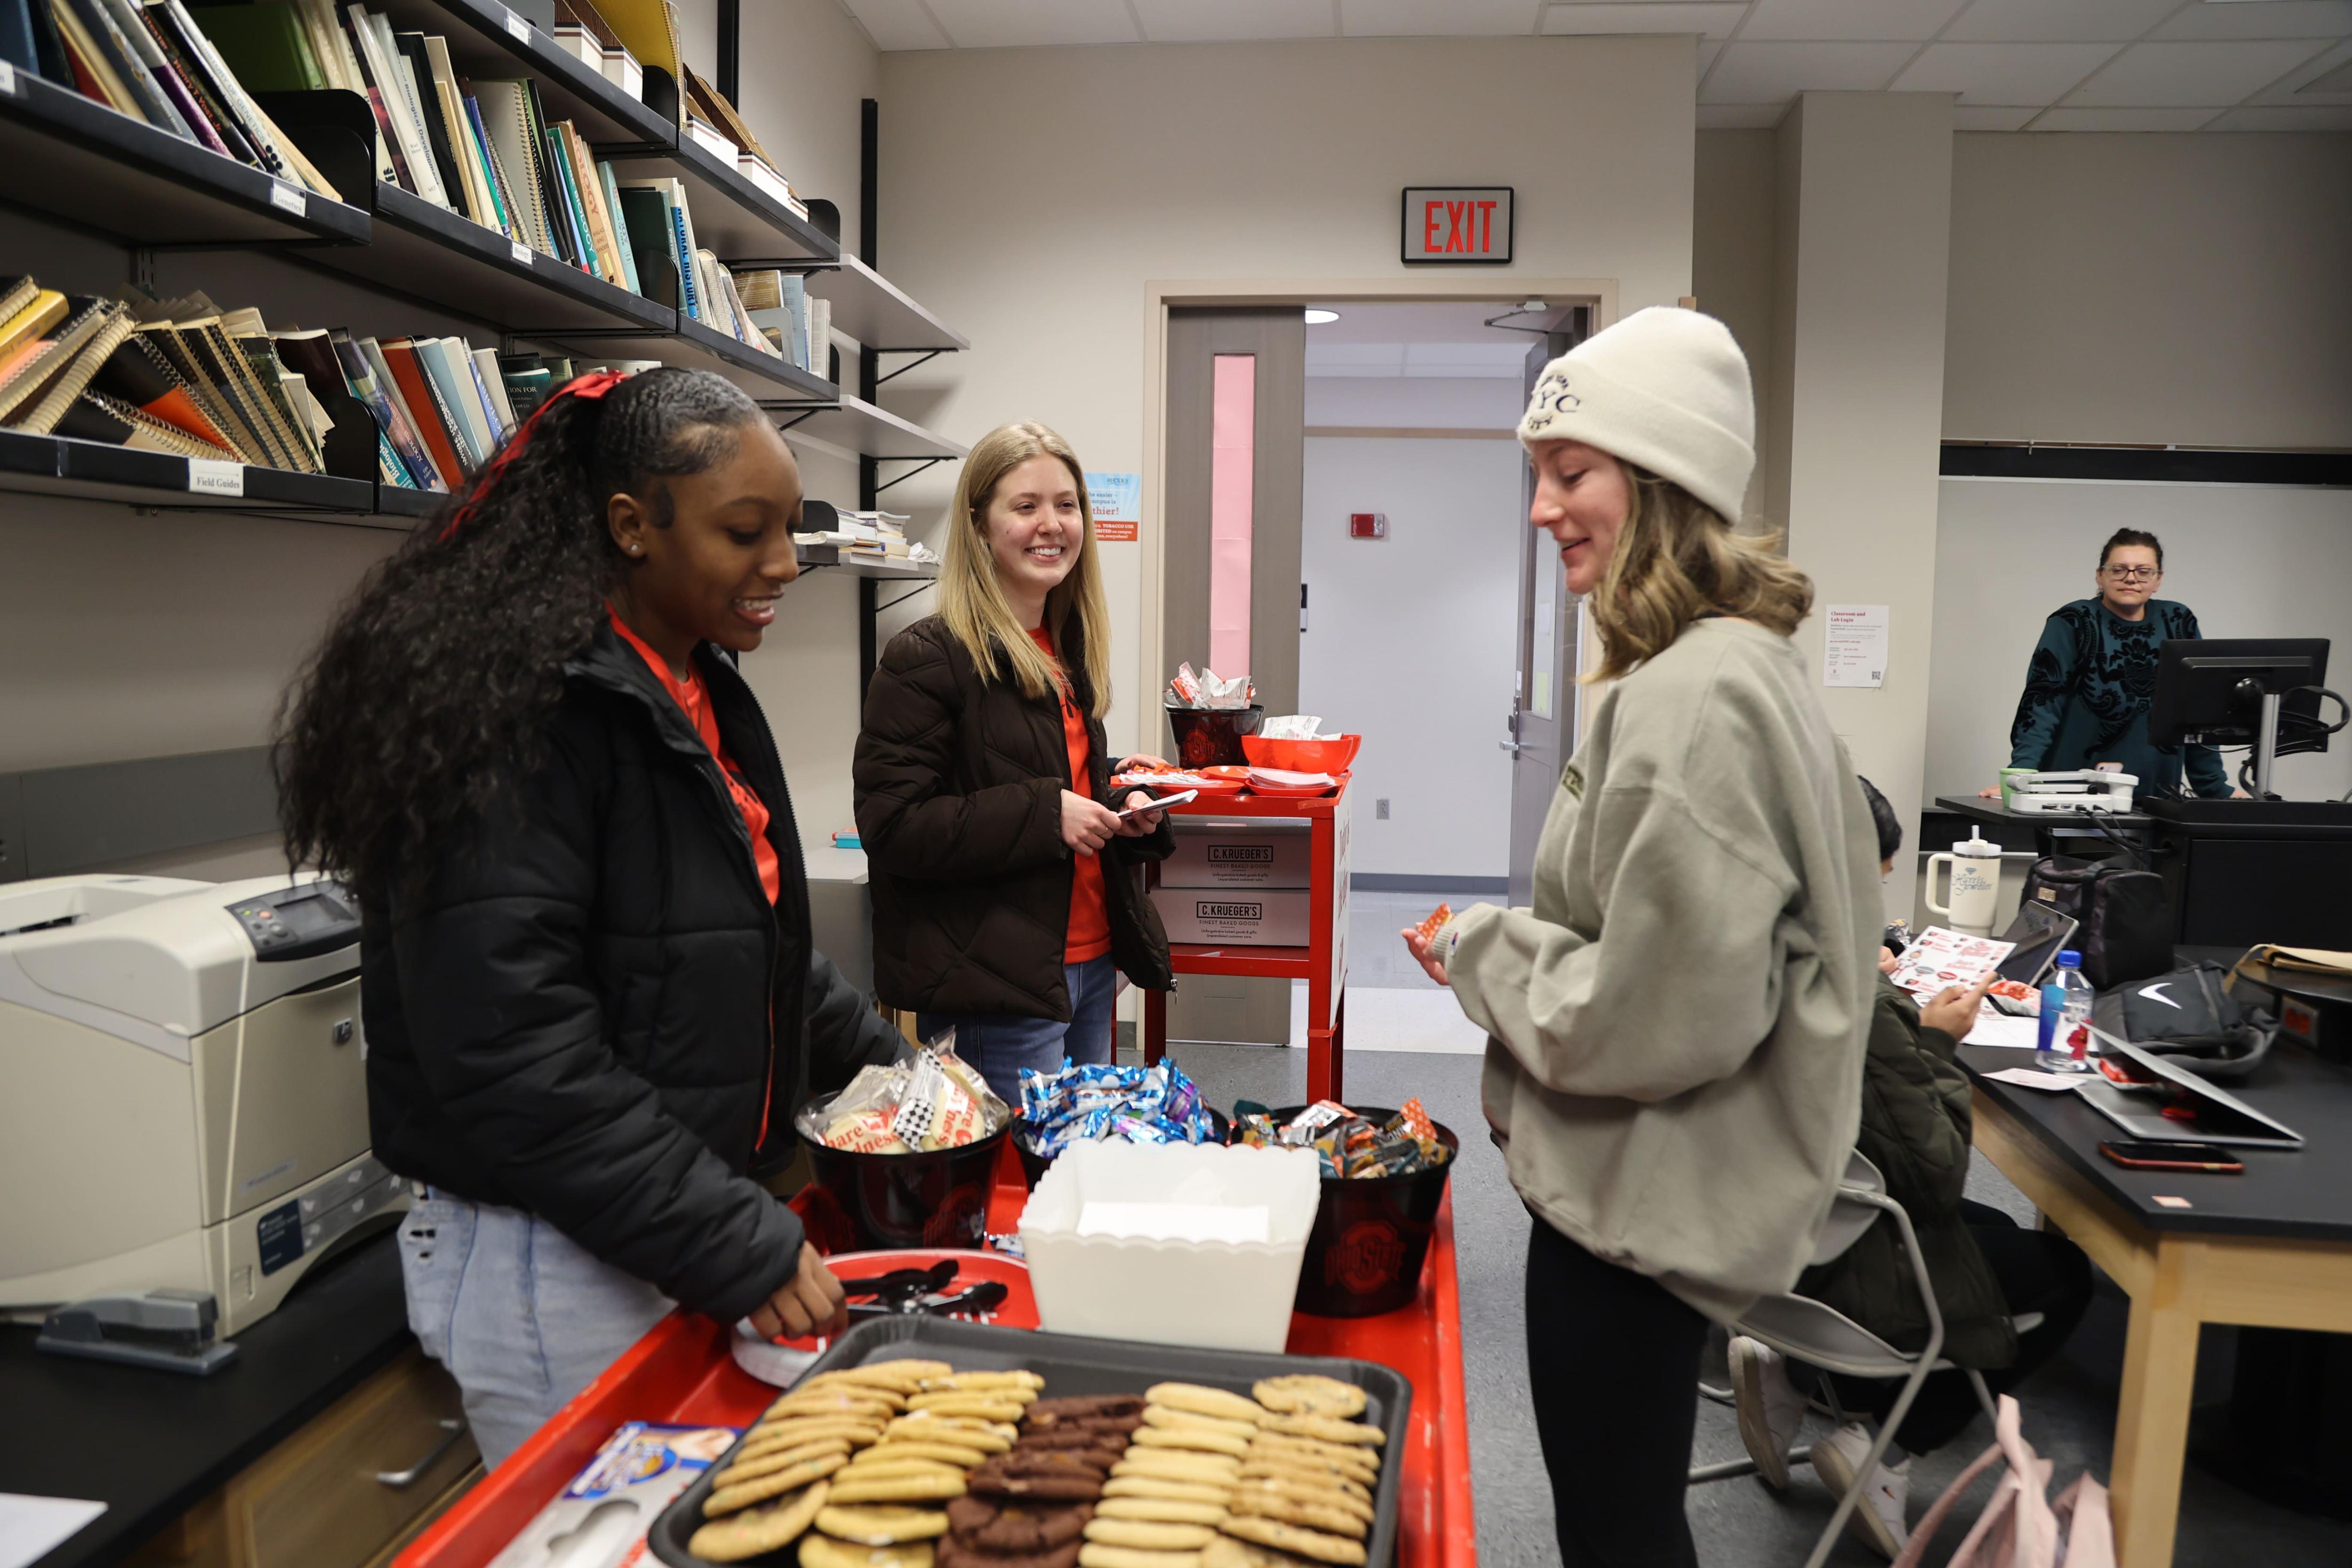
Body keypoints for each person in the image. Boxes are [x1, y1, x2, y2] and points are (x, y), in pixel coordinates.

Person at [275, 367, 901, 1468]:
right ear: (632, 526)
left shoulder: (685, 681)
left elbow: (746, 947)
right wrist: (729, 1235)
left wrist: (897, 1078)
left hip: (653, 1221)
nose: (782, 563)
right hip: (551, 1262)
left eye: (790, 529)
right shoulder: (524, 716)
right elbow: (514, 1051)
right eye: (745, 532)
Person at [1400, 308, 1883, 1568]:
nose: (1540, 508)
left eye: (1570, 475)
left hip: (1631, 1216)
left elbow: (1650, 1013)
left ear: (1660, 484)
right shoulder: (1736, 665)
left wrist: (1475, 948)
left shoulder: (1694, 694)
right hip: (1658, 1202)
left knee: (1616, 1533)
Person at [1727, 780, 2095, 1560]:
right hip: (1836, 1274)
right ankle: (1883, 1457)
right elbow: (1933, 1173)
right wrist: (1930, 1042)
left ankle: (1785, 1371)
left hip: (1756, 1253)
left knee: (1990, 1230)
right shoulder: (1861, 1000)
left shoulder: (1739, 959)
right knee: (2063, 1272)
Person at [854, 422, 1175, 1104]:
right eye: (1024, 506)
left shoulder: (1062, 648)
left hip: (1087, 966)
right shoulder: (927, 657)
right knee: (1009, 1193)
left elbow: (1022, 774)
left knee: (1068, 1174)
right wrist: (1045, 813)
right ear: (978, 526)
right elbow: (893, 826)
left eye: (1066, 504)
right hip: (994, 986)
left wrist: (1118, 796)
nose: (1051, 524)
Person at [1984, 527, 2232, 800]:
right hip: (2074, 794)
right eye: (2118, 570)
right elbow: (2043, 702)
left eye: (2143, 571)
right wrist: (2021, 776)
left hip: (2157, 795)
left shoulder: (2178, 620)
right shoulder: (2074, 621)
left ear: (2158, 579)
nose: (2131, 579)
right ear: (2100, 576)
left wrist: (2216, 789)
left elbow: (2196, 712)